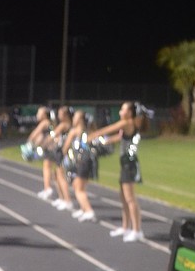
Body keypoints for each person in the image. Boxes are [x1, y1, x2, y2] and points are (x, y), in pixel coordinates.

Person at [89, 100, 145, 242]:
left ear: (129, 113)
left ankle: (137, 230)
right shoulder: (127, 125)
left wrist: (93, 135)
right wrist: (104, 141)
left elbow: (109, 129)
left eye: (123, 109)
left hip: (129, 165)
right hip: (125, 164)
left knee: (130, 199)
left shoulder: (127, 122)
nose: (120, 111)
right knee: (124, 198)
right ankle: (126, 227)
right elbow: (117, 137)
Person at [62, 110, 97, 222]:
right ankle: (83, 209)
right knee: (79, 186)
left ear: (80, 120)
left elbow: (65, 147)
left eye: (75, 117)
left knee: (79, 189)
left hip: (80, 162)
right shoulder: (89, 131)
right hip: (88, 162)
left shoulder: (74, 131)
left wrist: (66, 155)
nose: (73, 119)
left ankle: (89, 211)